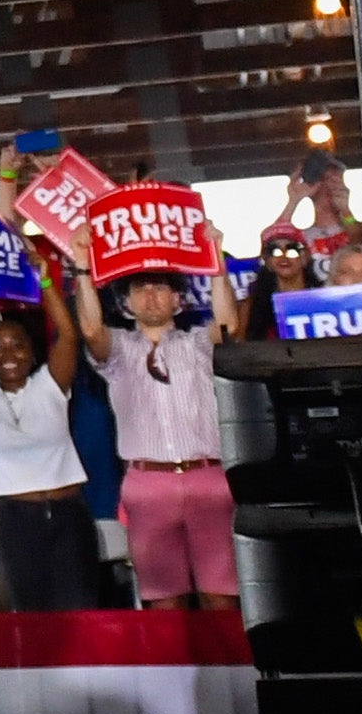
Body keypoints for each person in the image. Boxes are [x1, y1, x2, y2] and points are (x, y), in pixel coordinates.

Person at [63, 232, 242, 615]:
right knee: (164, 601)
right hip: (148, 485)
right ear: (125, 303)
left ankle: (231, 675)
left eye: (160, 288)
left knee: (221, 597)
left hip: (208, 478)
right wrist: (82, 267)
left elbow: (228, 326)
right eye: (140, 289)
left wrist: (215, 260)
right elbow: (92, 332)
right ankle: (175, 675)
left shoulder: (197, 344)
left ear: (179, 300)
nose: (150, 296)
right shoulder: (119, 350)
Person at [0, 292, 102, 612]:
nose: (8, 354)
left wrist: (48, 283)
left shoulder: (50, 385)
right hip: (16, 521)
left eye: (17, 345)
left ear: (32, 352)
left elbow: (68, 335)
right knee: (31, 614)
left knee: (82, 612)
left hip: (69, 515)